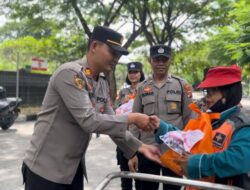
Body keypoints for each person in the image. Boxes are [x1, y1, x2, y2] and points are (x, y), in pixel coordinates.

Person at [21, 26, 162, 190]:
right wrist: (133, 118)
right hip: (45, 170)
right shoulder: (70, 74)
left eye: (119, 54)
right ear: (94, 46)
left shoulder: (101, 83)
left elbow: (112, 123)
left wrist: (140, 147)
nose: (116, 58)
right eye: (112, 52)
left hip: (71, 170)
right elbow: (88, 120)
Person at [160, 64, 250, 189]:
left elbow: (240, 159)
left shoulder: (241, 125)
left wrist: (199, 163)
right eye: (206, 92)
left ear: (227, 95)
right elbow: (187, 139)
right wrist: (161, 128)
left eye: (211, 92)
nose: (206, 98)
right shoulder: (211, 119)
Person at [128, 44, 192, 190]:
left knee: (173, 188)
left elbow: (190, 119)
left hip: (174, 150)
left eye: (165, 59)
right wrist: (133, 152)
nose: (161, 63)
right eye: (157, 59)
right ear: (150, 61)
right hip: (148, 149)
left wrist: (188, 150)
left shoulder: (181, 85)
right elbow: (133, 121)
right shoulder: (142, 87)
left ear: (170, 60)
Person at [116, 61, 145, 190]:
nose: (133, 75)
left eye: (136, 72)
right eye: (130, 72)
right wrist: (123, 102)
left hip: (140, 138)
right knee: (125, 176)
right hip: (124, 137)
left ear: (141, 73)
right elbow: (116, 111)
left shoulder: (146, 88)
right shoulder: (123, 91)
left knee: (140, 178)